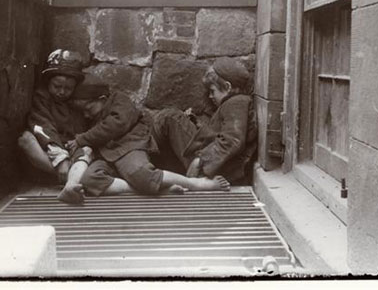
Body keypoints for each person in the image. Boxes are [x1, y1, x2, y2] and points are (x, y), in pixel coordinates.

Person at [60, 75, 231, 204]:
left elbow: (117, 124)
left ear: (102, 100)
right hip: (107, 154)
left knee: (141, 174)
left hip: (128, 145)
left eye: (88, 108)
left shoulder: (119, 101)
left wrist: (83, 138)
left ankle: (196, 183)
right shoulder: (88, 117)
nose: (86, 114)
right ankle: (156, 190)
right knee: (89, 181)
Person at [151, 57, 257, 185]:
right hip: (213, 162)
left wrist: (200, 160)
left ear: (228, 87)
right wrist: (195, 122)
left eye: (212, 91)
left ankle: (145, 168)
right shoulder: (234, 103)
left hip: (214, 168)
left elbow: (232, 140)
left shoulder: (237, 102)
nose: (210, 96)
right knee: (171, 119)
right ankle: (148, 167)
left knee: (169, 118)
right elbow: (218, 132)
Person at [17, 49, 94, 203]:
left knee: (88, 150)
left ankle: (71, 182)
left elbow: (81, 134)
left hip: (72, 151)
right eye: (57, 86)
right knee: (25, 139)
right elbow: (43, 127)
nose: (61, 92)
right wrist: (60, 159)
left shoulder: (77, 102)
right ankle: (69, 177)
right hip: (49, 152)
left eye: (68, 88)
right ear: (48, 82)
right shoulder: (42, 98)